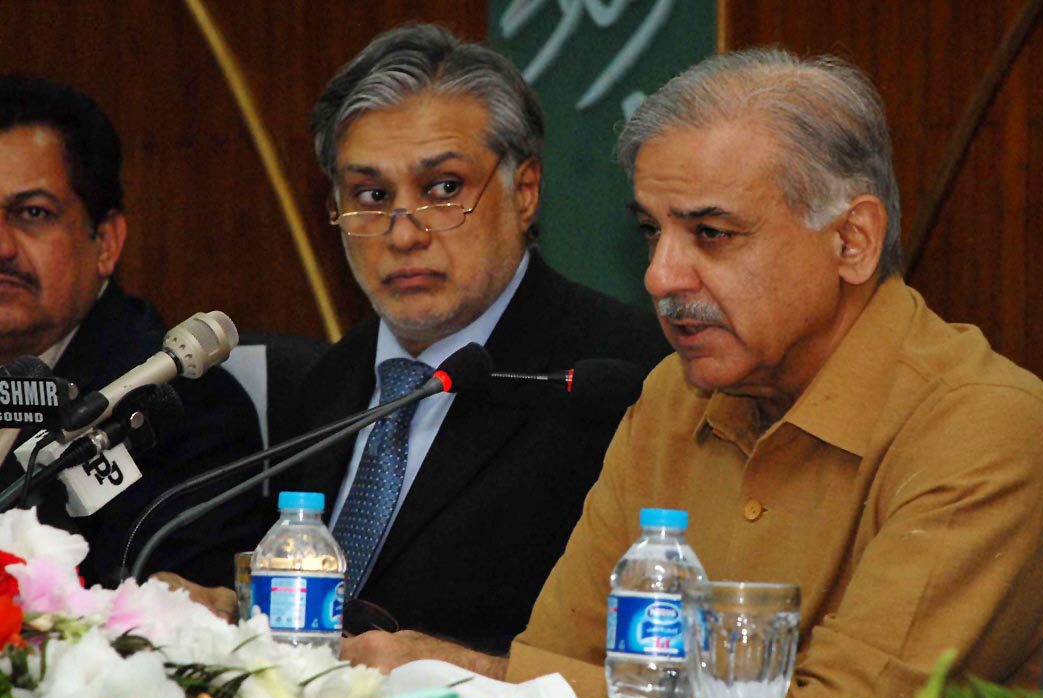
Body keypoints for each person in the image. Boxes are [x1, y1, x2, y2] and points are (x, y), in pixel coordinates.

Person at [348, 47, 1043, 698]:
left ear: (852, 240)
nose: (659, 277)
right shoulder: (673, 399)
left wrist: (479, 675)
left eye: (711, 234)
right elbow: (552, 661)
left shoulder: (986, 435)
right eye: (652, 231)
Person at [292, 24, 669, 660]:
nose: (403, 233)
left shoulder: (621, 378)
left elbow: (626, 659)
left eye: (443, 189)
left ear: (524, 191)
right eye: (371, 195)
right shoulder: (324, 384)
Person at [0, 75, 264, 592]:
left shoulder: (178, 403)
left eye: (32, 214)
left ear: (106, 242)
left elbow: (169, 623)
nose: (2, 246)